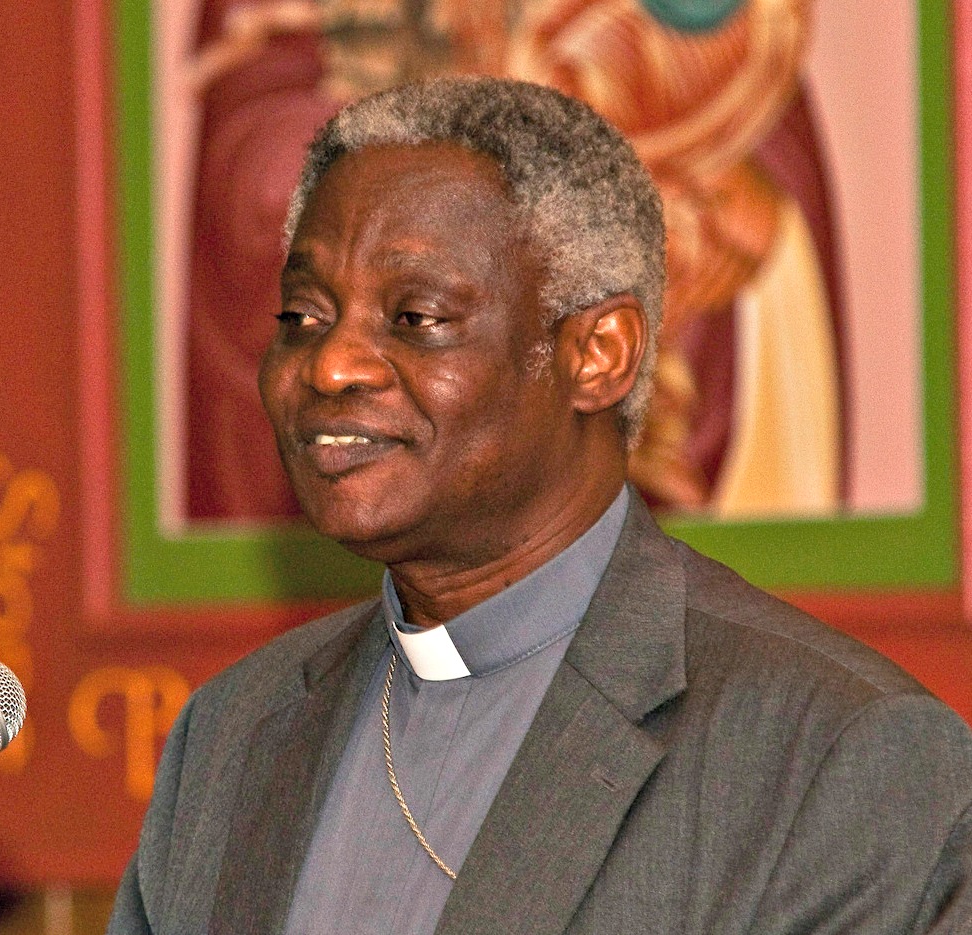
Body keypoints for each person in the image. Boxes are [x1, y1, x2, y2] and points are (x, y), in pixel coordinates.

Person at [107, 77, 972, 935]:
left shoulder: (837, 754)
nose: (331, 366)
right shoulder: (232, 736)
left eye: (415, 317)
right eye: (302, 315)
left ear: (598, 354)